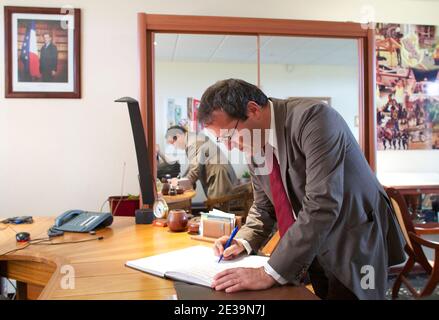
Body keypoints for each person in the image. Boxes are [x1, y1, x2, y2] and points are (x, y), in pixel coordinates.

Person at [197, 79, 405, 300]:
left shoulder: (314, 118)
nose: (229, 147)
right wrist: (244, 240)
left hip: (354, 237)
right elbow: (264, 206)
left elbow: (322, 203)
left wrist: (267, 273)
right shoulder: (254, 143)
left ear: (253, 109)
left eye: (229, 136)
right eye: (222, 140)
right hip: (311, 241)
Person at [159, 125, 238, 199]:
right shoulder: (193, 138)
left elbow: (195, 169)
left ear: (178, 136)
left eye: (173, 143)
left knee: (218, 208)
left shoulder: (192, 143)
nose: (174, 146)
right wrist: (182, 179)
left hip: (219, 175)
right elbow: (192, 165)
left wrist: (180, 183)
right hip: (219, 173)